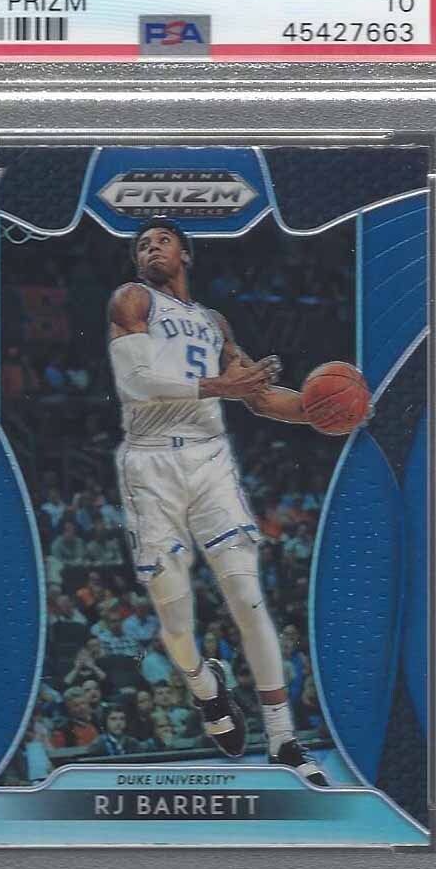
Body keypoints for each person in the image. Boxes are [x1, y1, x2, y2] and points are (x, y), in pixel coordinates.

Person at [108, 217, 330, 784]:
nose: (150, 248)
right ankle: (206, 687)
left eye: (162, 241)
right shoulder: (132, 299)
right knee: (174, 615)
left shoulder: (213, 323)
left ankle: (282, 738)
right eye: (142, 244)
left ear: (186, 253)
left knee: (248, 598)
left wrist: (321, 411)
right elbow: (136, 383)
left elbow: (259, 398)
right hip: (150, 464)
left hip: (209, 459)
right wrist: (222, 388)